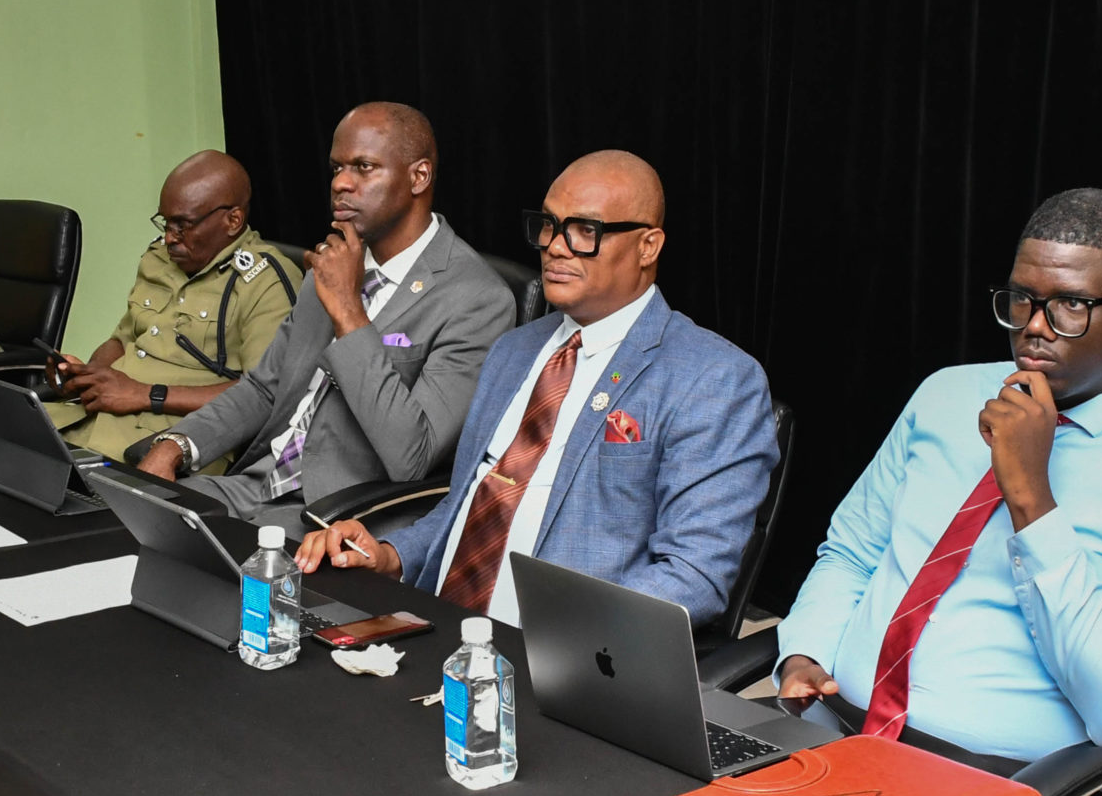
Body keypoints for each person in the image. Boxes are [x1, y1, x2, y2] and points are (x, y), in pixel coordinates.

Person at [771, 188, 1102, 765]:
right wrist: (805, 651)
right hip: (831, 730)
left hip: (995, 780)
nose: (1035, 327)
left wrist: (1031, 500)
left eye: (1071, 305)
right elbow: (853, 553)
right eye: (1022, 299)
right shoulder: (946, 393)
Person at [299, 150, 779, 625]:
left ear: (648, 247)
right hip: (432, 623)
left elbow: (693, 576)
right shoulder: (515, 350)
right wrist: (391, 555)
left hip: (562, 652)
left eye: (585, 230)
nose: (555, 246)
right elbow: (470, 505)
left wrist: (567, 643)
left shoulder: (713, 379)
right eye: (549, 225)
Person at [133, 101, 514, 521]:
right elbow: (264, 389)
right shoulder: (331, 265)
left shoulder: (477, 299)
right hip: (254, 487)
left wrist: (349, 312)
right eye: (336, 168)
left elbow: (413, 456)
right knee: (127, 516)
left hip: (337, 515)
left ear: (418, 176)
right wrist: (176, 445)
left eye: (364, 167)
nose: (341, 184)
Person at [47, 150, 301, 467]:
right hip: (91, 417)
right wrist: (87, 376)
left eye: (183, 225)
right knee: (7, 443)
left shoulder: (264, 282)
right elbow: (123, 339)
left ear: (232, 220)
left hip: (168, 440)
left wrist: (145, 394)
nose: (169, 238)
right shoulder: (158, 260)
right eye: (166, 223)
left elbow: (262, 395)